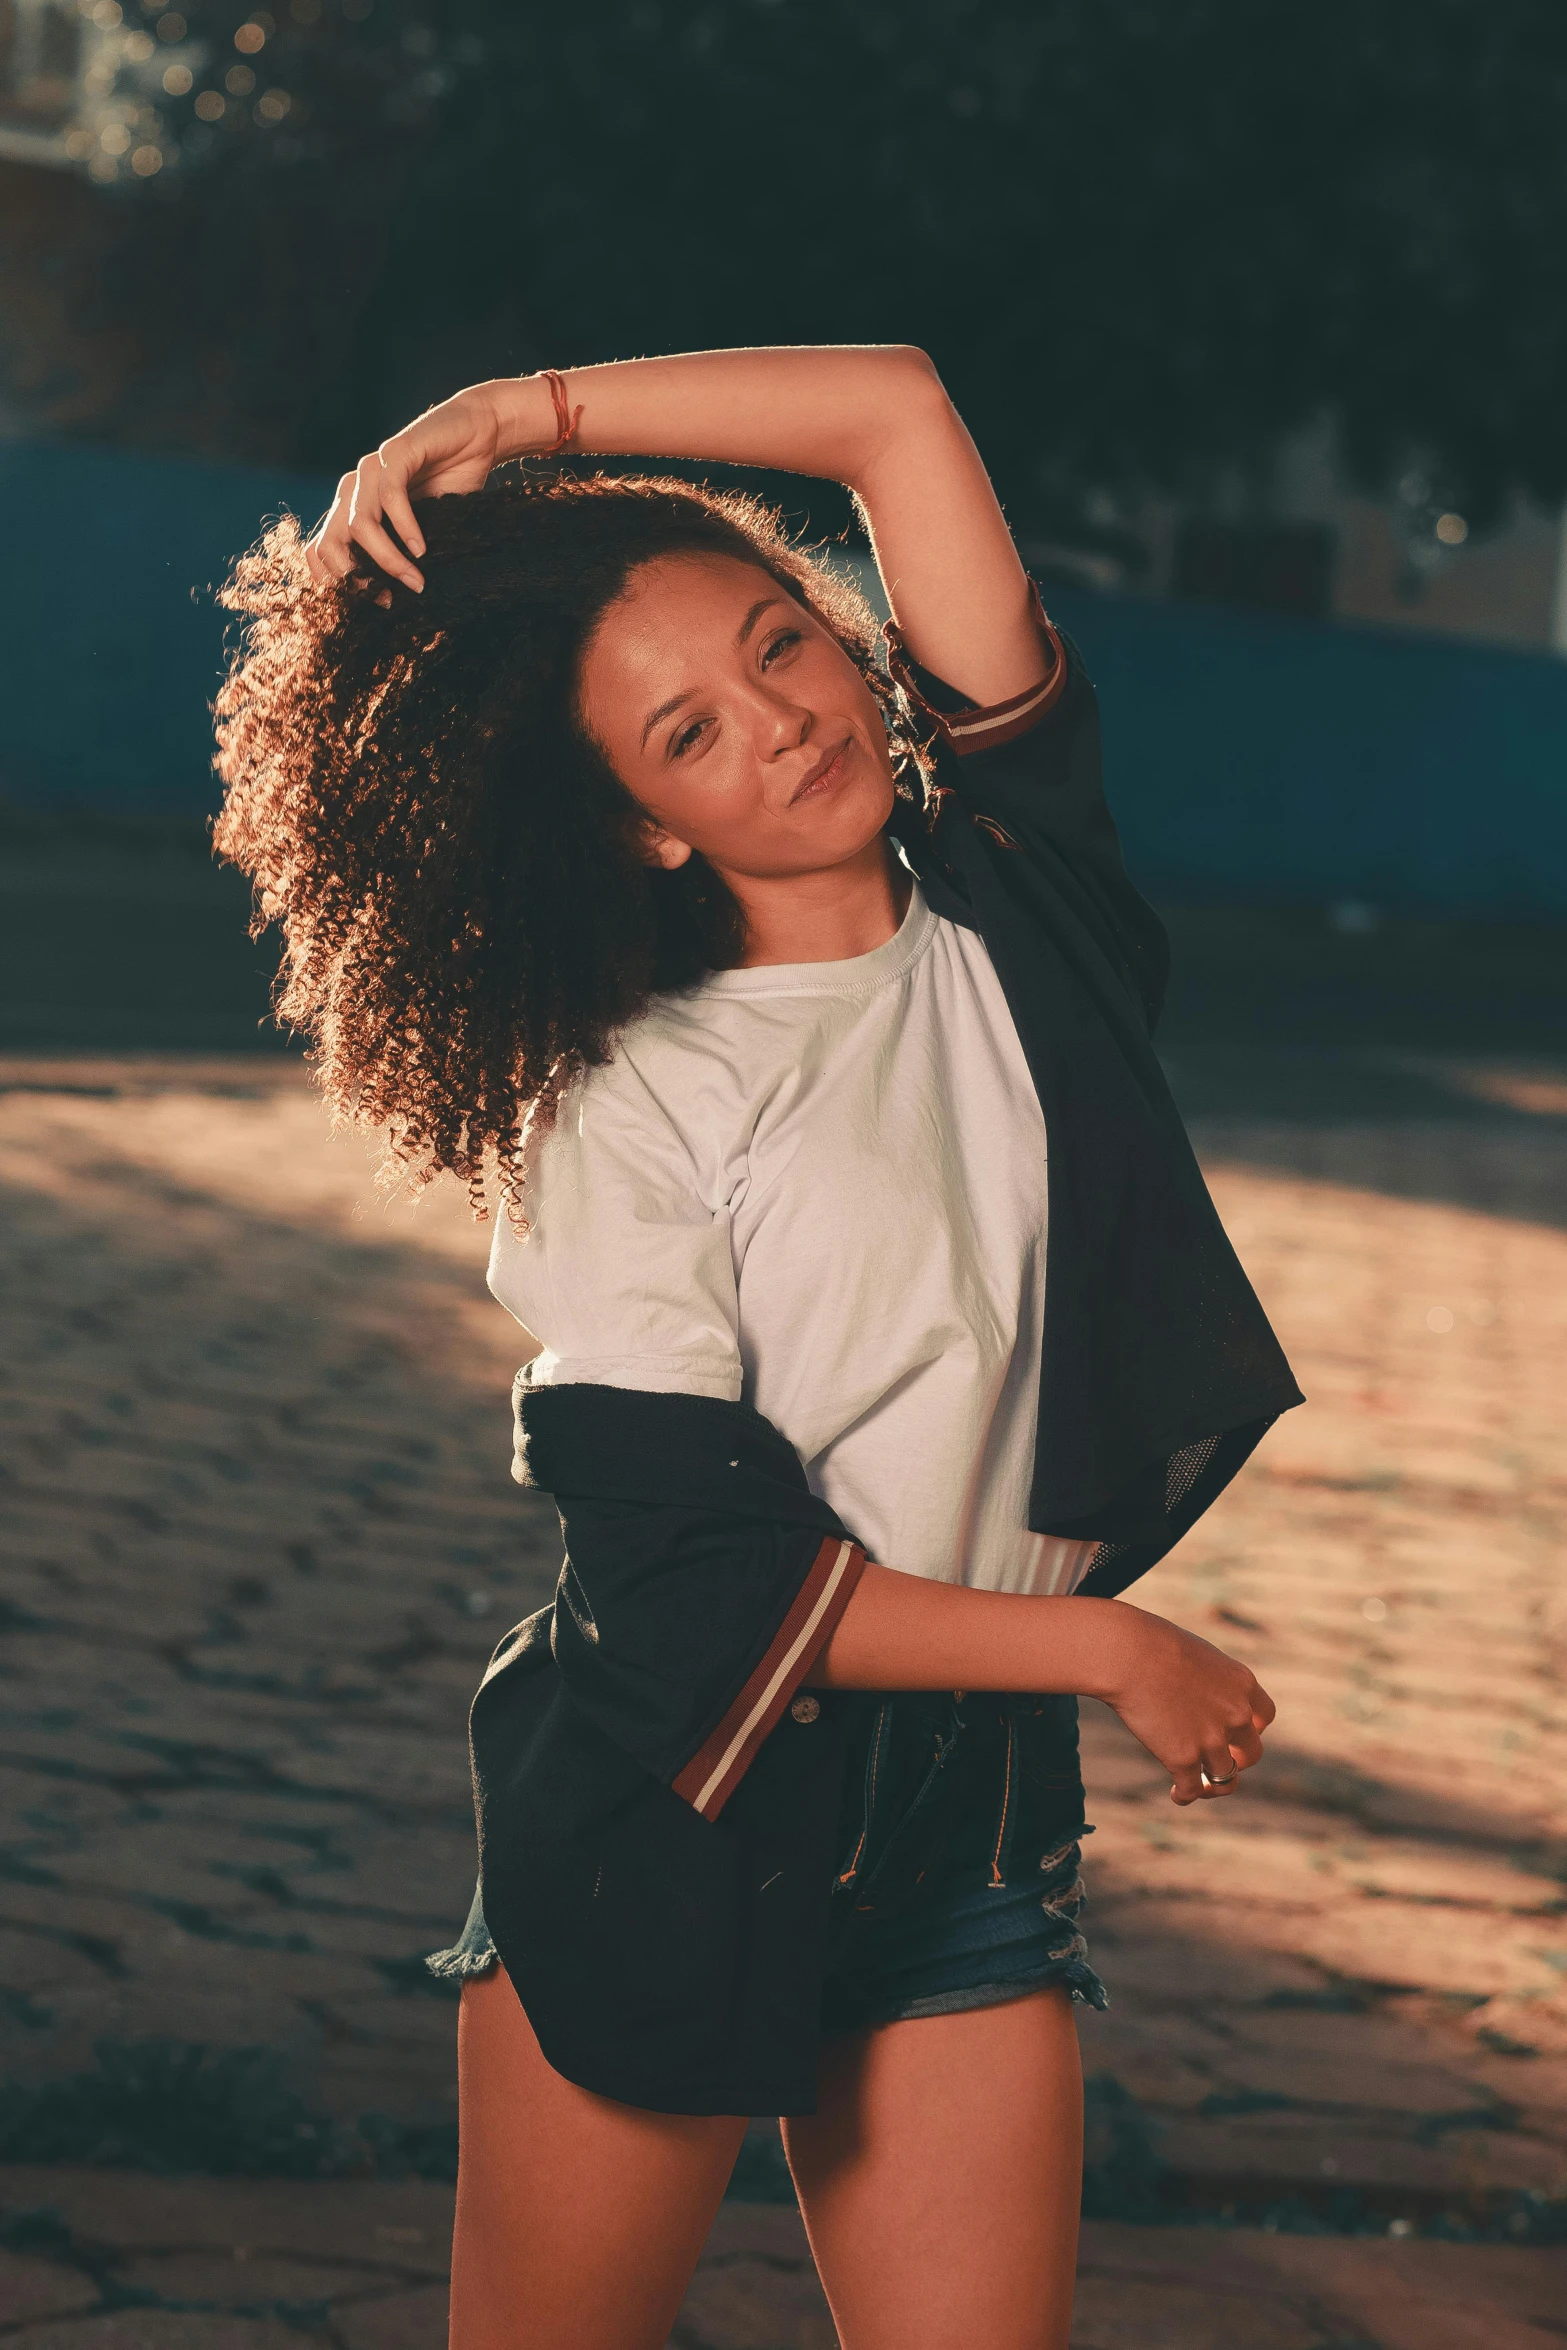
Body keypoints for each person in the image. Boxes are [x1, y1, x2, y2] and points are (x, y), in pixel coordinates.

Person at [213, 346, 1302, 2350]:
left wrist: (514, 419)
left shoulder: (1023, 895)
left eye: (780, 639)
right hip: (678, 1802)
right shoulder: (630, 1101)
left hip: (975, 1817)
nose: (785, 722)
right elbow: (695, 1582)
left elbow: (892, 409)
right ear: (634, 823)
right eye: (690, 730)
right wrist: (1112, 1642)